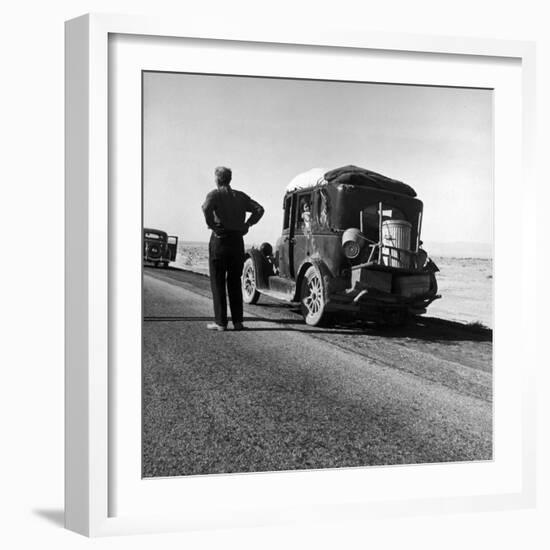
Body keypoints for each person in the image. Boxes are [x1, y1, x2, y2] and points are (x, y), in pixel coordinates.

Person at [201, 166, 264, 331]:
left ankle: (221, 322)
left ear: (217, 179)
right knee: (235, 282)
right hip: (237, 242)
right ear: (229, 179)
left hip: (219, 241)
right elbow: (259, 209)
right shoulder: (240, 196)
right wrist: (247, 224)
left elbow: (205, 208)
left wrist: (212, 225)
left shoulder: (214, 194)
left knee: (218, 282)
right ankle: (238, 322)